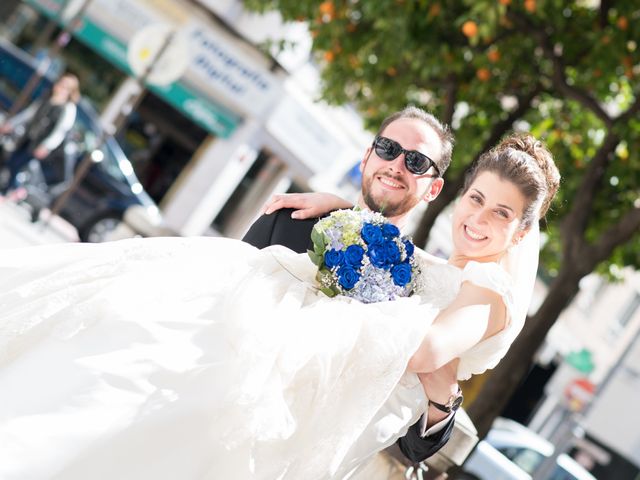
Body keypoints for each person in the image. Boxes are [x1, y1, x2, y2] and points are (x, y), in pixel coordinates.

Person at [0, 132, 559, 479]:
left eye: (502, 215)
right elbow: (417, 271)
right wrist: (347, 210)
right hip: (328, 385)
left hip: (349, 416)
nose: (480, 220)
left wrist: (441, 388)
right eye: (478, 200)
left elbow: (429, 348)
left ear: (521, 232)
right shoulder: (445, 267)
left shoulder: (494, 292)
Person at [243, 106, 460, 464]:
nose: (397, 165)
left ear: (433, 189)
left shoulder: (422, 294)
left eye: (417, 162)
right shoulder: (285, 222)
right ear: (367, 157)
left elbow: (414, 449)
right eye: (388, 149)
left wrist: (444, 399)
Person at [0, 73, 80, 195]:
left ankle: (14, 190)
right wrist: (11, 124)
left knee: (17, 164)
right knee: (12, 161)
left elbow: (60, 131)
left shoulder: (68, 108)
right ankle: (15, 190)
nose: (61, 87)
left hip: (41, 143)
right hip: (29, 137)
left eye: (66, 86)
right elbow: (29, 113)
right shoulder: (47, 97)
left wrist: (46, 145)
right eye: (61, 83)